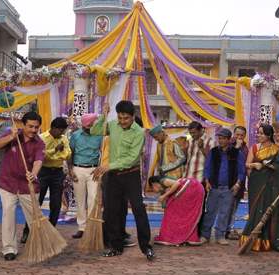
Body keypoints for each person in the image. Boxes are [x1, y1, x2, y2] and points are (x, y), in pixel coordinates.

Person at [91, 100, 154, 260]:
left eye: (126, 118)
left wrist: (109, 165)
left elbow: (132, 159)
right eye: (120, 118)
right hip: (113, 176)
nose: (122, 121)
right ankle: (115, 246)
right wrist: (102, 116)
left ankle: (146, 247)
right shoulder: (112, 125)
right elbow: (95, 131)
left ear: (133, 116)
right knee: (112, 211)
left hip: (130, 174)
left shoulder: (139, 132)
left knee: (139, 208)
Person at [0, 111, 45, 261]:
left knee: (35, 218)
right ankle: (9, 249)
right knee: (8, 213)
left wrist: (34, 174)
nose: (33, 130)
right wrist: (11, 137)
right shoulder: (11, 132)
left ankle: (39, 246)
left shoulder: (40, 143)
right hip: (8, 183)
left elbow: (38, 161)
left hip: (28, 186)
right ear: (23, 125)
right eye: (30, 126)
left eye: (36, 127)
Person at [21, 117, 71, 241]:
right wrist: (55, 151)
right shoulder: (42, 138)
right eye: (61, 131)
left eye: (64, 131)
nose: (62, 133)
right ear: (54, 128)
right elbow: (41, 155)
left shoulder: (64, 139)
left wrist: (55, 155)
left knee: (56, 204)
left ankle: (51, 231)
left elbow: (67, 154)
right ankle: (27, 231)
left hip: (58, 173)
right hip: (43, 172)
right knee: (36, 202)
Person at [240, 124, 279, 252]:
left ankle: (266, 240)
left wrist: (271, 168)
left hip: (270, 185)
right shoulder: (255, 147)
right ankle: (252, 240)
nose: (259, 135)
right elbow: (247, 164)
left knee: (266, 211)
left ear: (268, 135)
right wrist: (255, 165)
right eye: (258, 133)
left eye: (262, 133)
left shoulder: (277, 149)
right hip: (256, 183)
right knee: (255, 210)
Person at [201, 128, 246, 245]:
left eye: (223, 138)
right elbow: (207, 167)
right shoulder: (214, 151)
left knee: (224, 212)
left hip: (229, 188)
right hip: (214, 186)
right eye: (219, 138)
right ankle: (205, 235)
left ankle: (220, 236)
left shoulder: (237, 153)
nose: (220, 141)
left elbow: (242, 170)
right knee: (210, 211)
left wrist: (238, 184)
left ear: (229, 139)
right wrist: (207, 181)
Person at [68, 113, 103, 239]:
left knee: (93, 199)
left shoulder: (100, 136)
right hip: (78, 169)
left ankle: (92, 227)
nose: (86, 128)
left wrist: (100, 167)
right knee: (80, 200)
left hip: (94, 170)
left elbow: (103, 152)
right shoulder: (75, 136)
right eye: (84, 126)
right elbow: (69, 153)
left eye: (88, 126)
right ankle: (82, 228)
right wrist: (70, 170)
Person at [149, 175, 205, 246]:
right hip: (194, 189)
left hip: (191, 188)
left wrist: (164, 196)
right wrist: (164, 197)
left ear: (154, 184)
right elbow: (165, 204)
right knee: (174, 210)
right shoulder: (163, 187)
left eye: (152, 188)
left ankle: (172, 236)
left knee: (171, 211)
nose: (153, 191)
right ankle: (186, 236)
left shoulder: (163, 181)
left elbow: (177, 184)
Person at [226, 125, 249, 240]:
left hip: (240, 182)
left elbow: (245, 166)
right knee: (226, 206)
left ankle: (230, 228)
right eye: (237, 134)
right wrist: (236, 147)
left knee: (234, 206)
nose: (239, 137)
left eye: (242, 135)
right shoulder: (228, 145)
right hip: (228, 181)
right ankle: (225, 229)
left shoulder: (245, 149)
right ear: (233, 134)